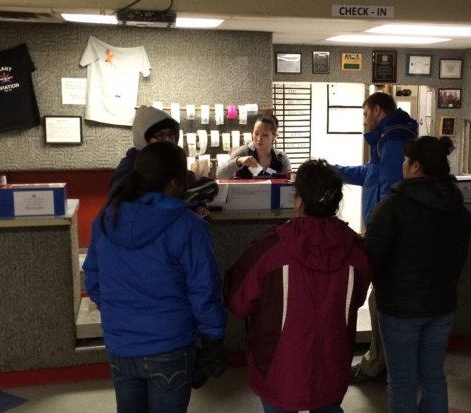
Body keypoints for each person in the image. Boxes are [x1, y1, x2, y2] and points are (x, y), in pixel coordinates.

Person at [83, 142, 227, 413]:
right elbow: (204, 289)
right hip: (170, 344)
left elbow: (92, 276)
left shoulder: (106, 218)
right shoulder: (188, 226)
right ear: (174, 183)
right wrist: (213, 340)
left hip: (120, 344)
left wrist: (118, 310)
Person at [223, 159, 373, 413]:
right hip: (332, 357)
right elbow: (357, 298)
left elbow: (237, 299)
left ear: (299, 201)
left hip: (278, 362)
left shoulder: (272, 248)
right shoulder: (356, 250)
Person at [365, 136, 471, 413]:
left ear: (415, 167)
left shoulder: (391, 207)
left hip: (400, 310)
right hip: (443, 305)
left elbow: (371, 260)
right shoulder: (457, 209)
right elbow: (459, 259)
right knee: (433, 377)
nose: (401, 163)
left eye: (404, 159)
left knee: (402, 382)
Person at [333, 91, 418, 383]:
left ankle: (379, 363)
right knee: (379, 300)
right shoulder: (386, 139)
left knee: (380, 300)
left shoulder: (393, 141)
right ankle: (380, 360)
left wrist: (378, 235)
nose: (364, 120)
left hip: (387, 235)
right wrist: (332, 171)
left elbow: (390, 193)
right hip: (384, 232)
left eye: (365, 113)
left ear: (378, 111)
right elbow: (370, 174)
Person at [110, 105, 218, 216]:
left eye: (171, 135)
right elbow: (120, 201)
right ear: (143, 139)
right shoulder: (128, 167)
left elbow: (187, 189)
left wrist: (198, 205)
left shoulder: (173, 162)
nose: (168, 140)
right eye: (160, 135)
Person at [216, 114, 291, 179]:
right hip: (244, 195)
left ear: (274, 136)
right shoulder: (243, 152)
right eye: (256, 134)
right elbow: (219, 175)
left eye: (265, 135)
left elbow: (290, 184)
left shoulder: (282, 158)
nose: (259, 139)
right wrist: (238, 161)